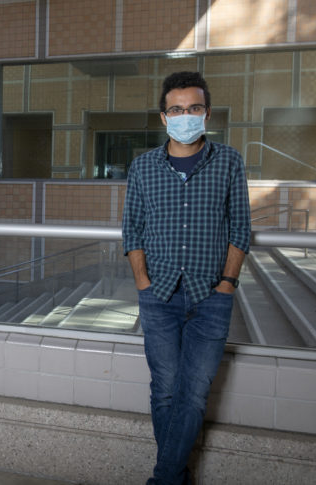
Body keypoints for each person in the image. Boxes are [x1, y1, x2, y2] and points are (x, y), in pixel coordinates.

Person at [122, 71, 251, 484]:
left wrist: (226, 284)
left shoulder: (229, 161)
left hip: (211, 297)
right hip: (157, 295)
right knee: (164, 389)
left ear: (207, 113)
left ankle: (164, 478)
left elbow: (240, 228)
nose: (185, 116)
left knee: (192, 394)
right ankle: (173, 477)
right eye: (176, 110)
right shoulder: (143, 168)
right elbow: (132, 230)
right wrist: (142, 283)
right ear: (164, 118)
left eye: (194, 108)